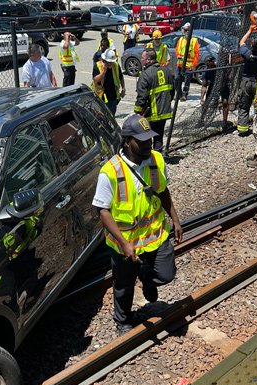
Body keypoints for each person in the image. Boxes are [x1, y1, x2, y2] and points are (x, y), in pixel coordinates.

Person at [92, 114, 182, 335]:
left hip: (155, 235)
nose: (147, 145)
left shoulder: (156, 160)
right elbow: (102, 210)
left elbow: (162, 191)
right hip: (125, 243)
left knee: (167, 274)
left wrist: (176, 219)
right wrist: (123, 243)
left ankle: (148, 279)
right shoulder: (110, 172)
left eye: (149, 140)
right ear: (127, 141)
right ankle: (122, 320)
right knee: (123, 285)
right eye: (141, 141)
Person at [134, 48, 174, 153]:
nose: (141, 60)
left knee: (147, 137)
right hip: (165, 112)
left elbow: (142, 97)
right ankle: (158, 157)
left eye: (143, 58)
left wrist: (137, 111)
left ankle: (149, 159)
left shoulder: (146, 74)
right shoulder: (167, 71)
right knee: (159, 136)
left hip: (151, 113)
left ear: (149, 60)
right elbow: (172, 91)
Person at [236, 26, 257, 136]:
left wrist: (249, 30)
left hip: (246, 82)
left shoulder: (247, 53)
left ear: (251, 45)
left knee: (244, 105)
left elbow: (241, 42)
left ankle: (242, 130)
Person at [199, 55, 231, 129]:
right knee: (206, 102)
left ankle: (225, 121)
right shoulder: (206, 71)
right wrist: (202, 98)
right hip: (213, 86)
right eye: (206, 64)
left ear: (213, 62)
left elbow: (229, 77)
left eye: (208, 64)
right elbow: (204, 85)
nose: (207, 66)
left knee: (225, 102)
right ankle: (201, 120)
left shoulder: (221, 68)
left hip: (223, 85)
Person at [92, 49, 126, 116]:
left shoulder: (116, 65)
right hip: (101, 97)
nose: (110, 63)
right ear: (105, 60)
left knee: (111, 116)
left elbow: (121, 77)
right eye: (109, 62)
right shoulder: (97, 66)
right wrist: (103, 72)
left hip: (112, 97)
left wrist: (123, 89)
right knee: (102, 117)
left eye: (112, 62)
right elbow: (95, 80)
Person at [175, 22, 199, 101]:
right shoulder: (181, 39)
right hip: (180, 64)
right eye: (186, 30)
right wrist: (178, 55)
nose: (187, 32)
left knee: (187, 81)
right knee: (177, 79)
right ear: (183, 31)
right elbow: (177, 50)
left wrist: (193, 66)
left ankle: (184, 95)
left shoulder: (194, 41)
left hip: (189, 65)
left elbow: (196, 54)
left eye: (189, 30)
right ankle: (179, 93)